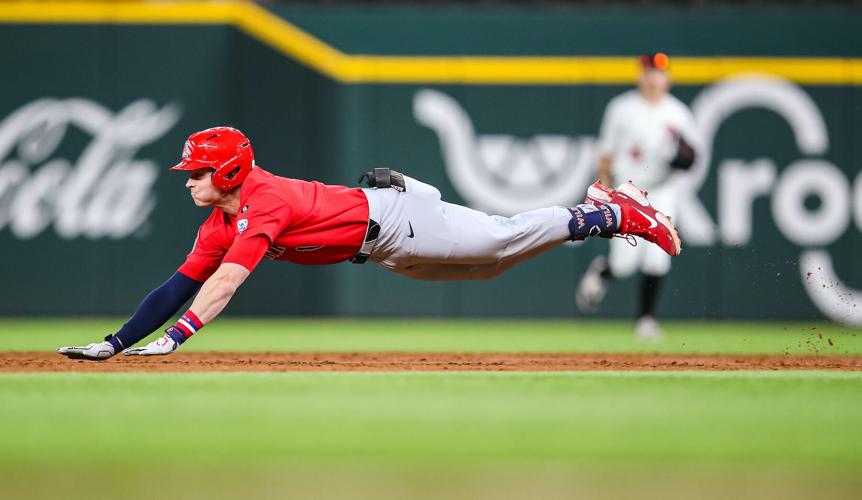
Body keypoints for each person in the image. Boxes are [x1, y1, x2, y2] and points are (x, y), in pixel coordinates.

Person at [58, 126, 681, 360]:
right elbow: (180, 284)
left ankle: (608, 212)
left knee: (500, 237)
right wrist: (117, 342)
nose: (189, 180)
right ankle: (593, 214)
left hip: (396, 220)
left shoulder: (262, 202)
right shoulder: (220, 222)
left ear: (225, 172)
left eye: (196, 172)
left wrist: (174, 338)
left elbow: (225, 284)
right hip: (381, 244)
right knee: (488, 269)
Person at [576, 53, 698, 340]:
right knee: (624, 264)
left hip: (663, 189)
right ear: (640, 76)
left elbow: (692, 156)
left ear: (668, 78)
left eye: (659, 72)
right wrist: (604, 192)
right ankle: (603, 272)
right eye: (649, 72)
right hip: (628, 191)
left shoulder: (678, 113)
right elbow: (605, 155)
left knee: (658, 258)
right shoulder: (621, 108)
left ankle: (646, 320)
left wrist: (686, 158)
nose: (654, 77)